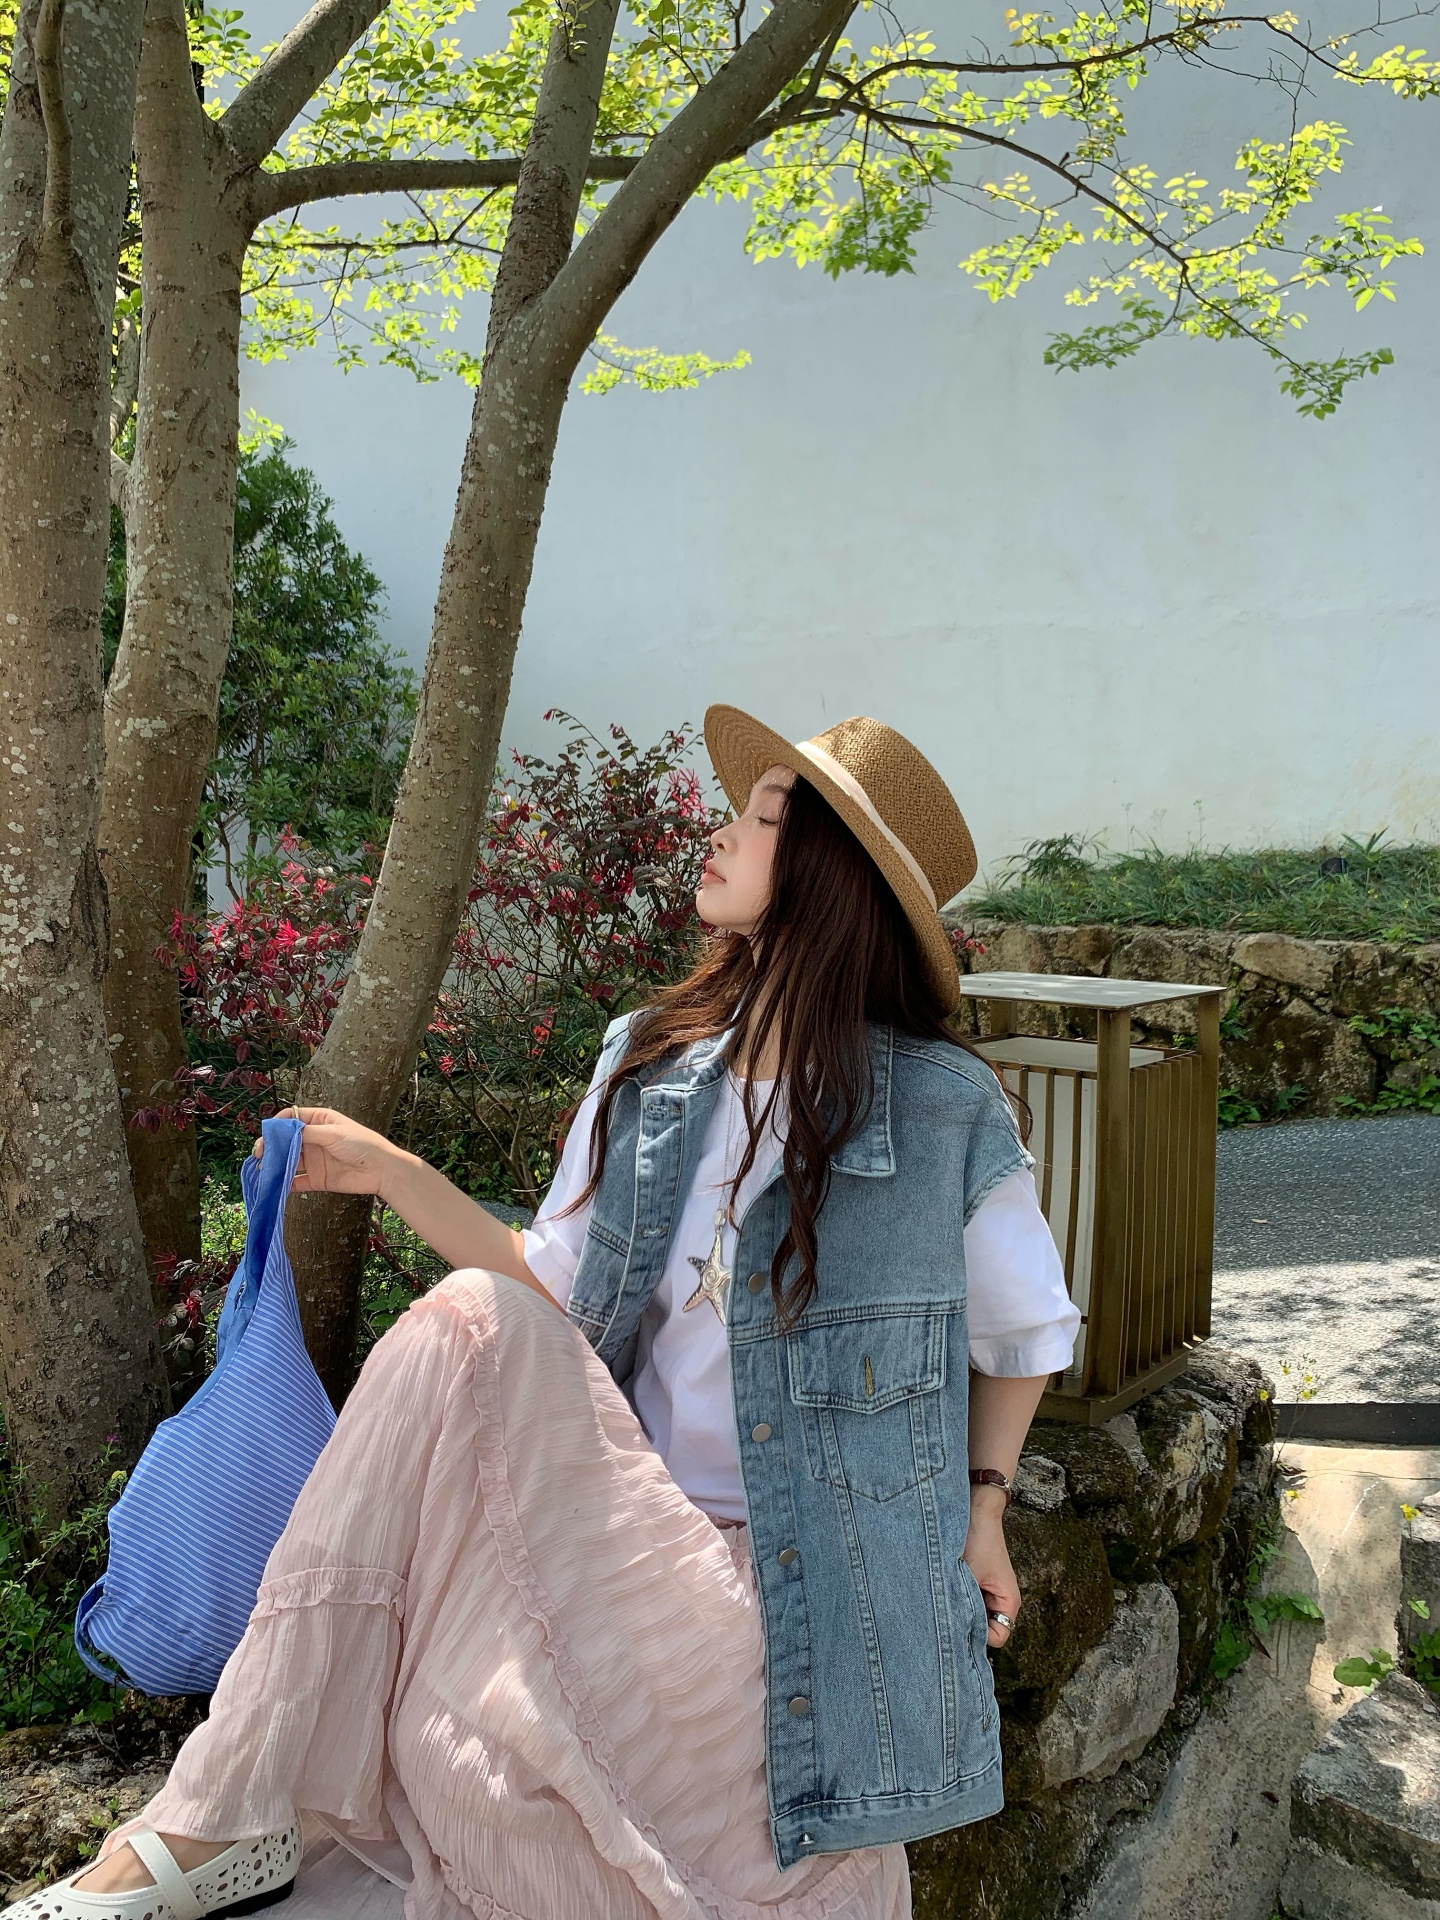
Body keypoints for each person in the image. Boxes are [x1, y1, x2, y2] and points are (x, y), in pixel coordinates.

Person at [12, 707, 1079, 1920]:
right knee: (469, 1314)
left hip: (799, 1594)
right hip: (621, 1528)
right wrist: (395, 1175)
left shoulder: (942, 1111)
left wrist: (984, 1506)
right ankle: (221, 1818)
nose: (720, 834)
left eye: (762, 819)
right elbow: (551, 1297)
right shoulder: (651, 1062)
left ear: (833, 878)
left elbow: (1026, 1336)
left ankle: (235, 1814)